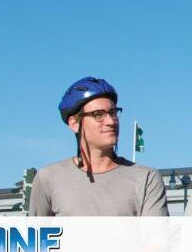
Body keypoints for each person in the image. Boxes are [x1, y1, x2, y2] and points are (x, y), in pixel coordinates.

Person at [28, 76, 168, 216]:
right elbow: (36, 236)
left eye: (113, 113)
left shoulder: (146, 178)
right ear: (74, 123)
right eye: (98, 114)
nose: (111, 121)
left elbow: (156, 237)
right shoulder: (48, 178)